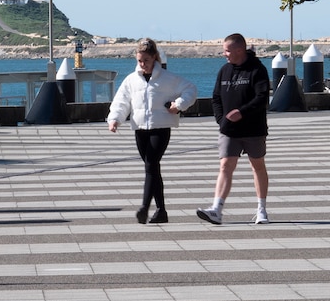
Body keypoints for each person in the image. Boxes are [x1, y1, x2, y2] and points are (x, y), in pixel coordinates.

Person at [108, 38, 197, 224]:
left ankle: (144, 207)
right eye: (140, 61)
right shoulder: (131, 80)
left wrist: (178, 105)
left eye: (146, 61)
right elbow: (121, 101)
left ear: (154, 58)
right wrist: (115, 119)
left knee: (150, 165)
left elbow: (190, 89)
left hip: (161, 127)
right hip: (140, 129)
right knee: (153, 169)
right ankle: (161, 211)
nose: (143, 65)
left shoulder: (168, 78)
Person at [197, 33, 271, 225]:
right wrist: (221, 120)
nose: (224, 54)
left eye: (227, 50)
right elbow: (216, 98)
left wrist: (242, 112)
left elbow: (262, 98)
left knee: (258, 165)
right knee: (225, 165)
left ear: (239, 50)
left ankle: (261, 209)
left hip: (254, 129)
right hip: (229, 130)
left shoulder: (257, 70)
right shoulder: (224, 70)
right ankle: (216, 209)